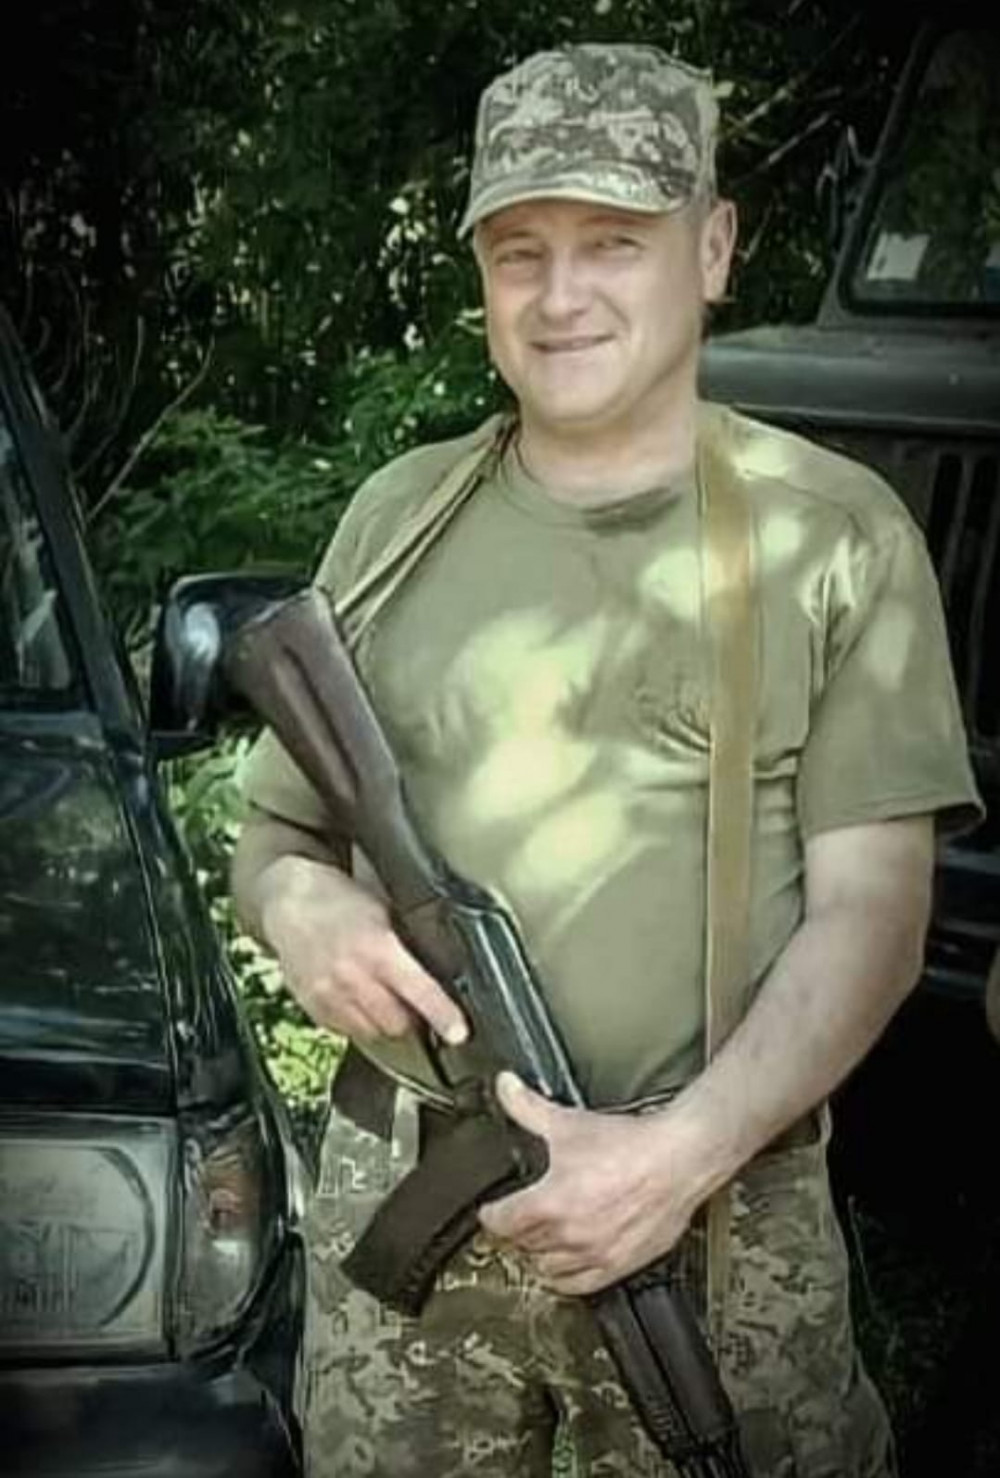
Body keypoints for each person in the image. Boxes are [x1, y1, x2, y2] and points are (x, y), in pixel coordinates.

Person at [230, 43, 982, 1478]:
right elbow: (274, 839)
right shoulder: (398, 517)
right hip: (418, 1192)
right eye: (520, 251)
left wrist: (671, 1161)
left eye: (613, 244)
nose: (559, 294)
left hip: (717, 1210)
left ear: (713, 249)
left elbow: (877, 920)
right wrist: (299, 906)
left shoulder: (831, 536)